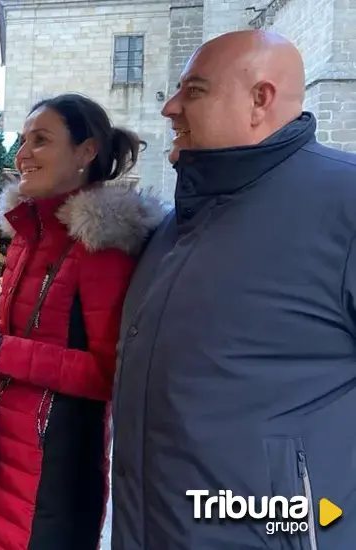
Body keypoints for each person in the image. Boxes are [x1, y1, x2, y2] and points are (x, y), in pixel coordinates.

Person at [112, 30, 356, 549]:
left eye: (194, 91)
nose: (170, 108)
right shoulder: (172, 228)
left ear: (259, 100)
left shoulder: (346, 202)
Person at [0, 93, 166, 550]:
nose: (22, 154)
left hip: (54, 472)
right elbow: (36, 331)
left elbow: (108, 373)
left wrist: (5, 353)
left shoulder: (102, 245)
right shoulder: (31, 234)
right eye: (23, 139)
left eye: (41, 140)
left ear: (86, 152)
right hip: (5, 453)